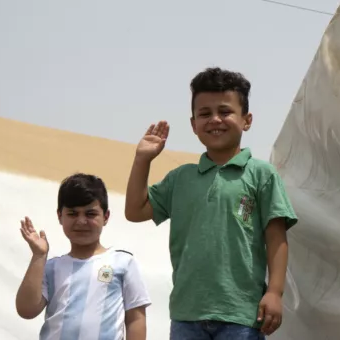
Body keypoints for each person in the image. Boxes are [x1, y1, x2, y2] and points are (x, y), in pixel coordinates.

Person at [125, 67, 298, 339]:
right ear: (193, 124)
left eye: (225, 111)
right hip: (186, 314)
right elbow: (135, 211)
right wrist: (142, 160)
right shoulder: (180, 178)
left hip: (241, 315)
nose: (215, 119)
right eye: (205, 113)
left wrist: (275, 292)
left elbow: (276, 238)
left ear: (247, 120)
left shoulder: (262, 174)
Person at [15, 173, 151, 340]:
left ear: (106, 217)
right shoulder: (50, 266)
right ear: (60, 216)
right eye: (72, 214)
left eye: (90, 214)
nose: (81, 221)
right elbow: (26, 310)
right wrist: (38, 256)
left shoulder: (123, 263)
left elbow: (135, 319)